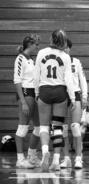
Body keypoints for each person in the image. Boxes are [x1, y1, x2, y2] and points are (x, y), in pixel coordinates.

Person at [34, 29, 75, 171]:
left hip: (44, 90)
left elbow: (36, 75)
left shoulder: (41, 53)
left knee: (44, 127)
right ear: (64, 40)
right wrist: (73, 98)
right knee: (58, 127)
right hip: (60, 92)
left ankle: (45, 151)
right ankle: (56, 161)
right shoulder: (65, 56)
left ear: (51, 38)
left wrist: (36, 92)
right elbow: (69, 80)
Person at [13, 34, 41, 168]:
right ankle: (20, 159)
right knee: (23, 127)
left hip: (34, 94)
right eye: (36, 44)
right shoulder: (20, 58)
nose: (38, 47)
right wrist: (23, 101)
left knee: (39, 127)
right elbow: (17, 81)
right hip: (25, 93)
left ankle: (32, 155)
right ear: (30, 44)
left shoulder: (32, 59)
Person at [60, 39, 88, 169]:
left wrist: (85, 96)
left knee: (75, 127)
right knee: (63, 129)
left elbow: (82, 80)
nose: (65, 50)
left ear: (70, 49)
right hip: (61, 95)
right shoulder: (57, 62)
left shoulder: (76, 62)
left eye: (67, 48)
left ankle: (78, 158)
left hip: (76, 94)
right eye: (62, 48)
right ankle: (66, 159)